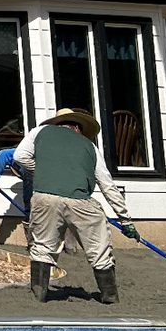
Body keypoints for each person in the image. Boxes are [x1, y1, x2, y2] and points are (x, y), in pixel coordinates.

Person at [26, 108, 136, 304]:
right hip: (80, 202)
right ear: (77, 127)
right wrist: (126, 220)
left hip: (44, 198)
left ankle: (39, 294)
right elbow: (107, 184)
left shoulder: (39, 132)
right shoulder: (90, 146)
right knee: (98, 247)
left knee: (42, 245)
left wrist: (44, 172)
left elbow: (20, 157)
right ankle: (109, 296)